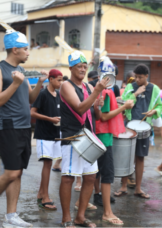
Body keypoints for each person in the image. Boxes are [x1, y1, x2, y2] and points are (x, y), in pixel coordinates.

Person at [0, 28, 48, 228]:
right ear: (15, 49)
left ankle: (11, 217)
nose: (29, 52)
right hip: (8, 127)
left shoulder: (22, 71)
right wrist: (15, 83)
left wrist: (40, 84)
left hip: (24, 127)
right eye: (26, 49)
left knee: (17, 173)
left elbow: (31, 98)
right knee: (10, 173)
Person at [59, 48, 108, 228]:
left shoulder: (88, 86)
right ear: (71, 68)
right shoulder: (66, 86)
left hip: (88, 137)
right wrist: (97, 92)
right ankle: (66, 219)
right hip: (73, 137)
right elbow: (79, 108)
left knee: (90, 177)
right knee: (68, 177)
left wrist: (98, 106)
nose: (82, 69)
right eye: (79, 66)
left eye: (85, 66)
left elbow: (94, 113)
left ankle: (80, 216)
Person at [93, 57, 134, 225]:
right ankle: (107, 213)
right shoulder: (104, 90)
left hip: (100, 136)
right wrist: (123, 107)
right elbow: (102, 117)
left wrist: (118, 104)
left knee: (94, 173)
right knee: (107, 174)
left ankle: (82, 203)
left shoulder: (101, 89)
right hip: (103, 137)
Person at [118, 64, 162, 199]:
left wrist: (154, 111)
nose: (137, 79)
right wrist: (136, 94)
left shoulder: (154, 89)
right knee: (126, 156)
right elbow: (125, 102)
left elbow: (159, 105)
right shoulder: (131, 87)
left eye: (140, 77)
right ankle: (123, 186)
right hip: (129, 126)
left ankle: (138, 188)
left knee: (140, 157)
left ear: (146, 76)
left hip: (145, 126)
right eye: (135, 77)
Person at [30, 69, 63, 211]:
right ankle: (45, 197)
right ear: (50, 79)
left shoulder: (59, 95)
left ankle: (41, 193)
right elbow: (32, 112)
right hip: (44, 134)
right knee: (47, 164)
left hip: (56, 134)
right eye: (59, 80)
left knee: (49, 165)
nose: (61, 83)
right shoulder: (43, 94)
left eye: (62, 80)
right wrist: (50, 119)